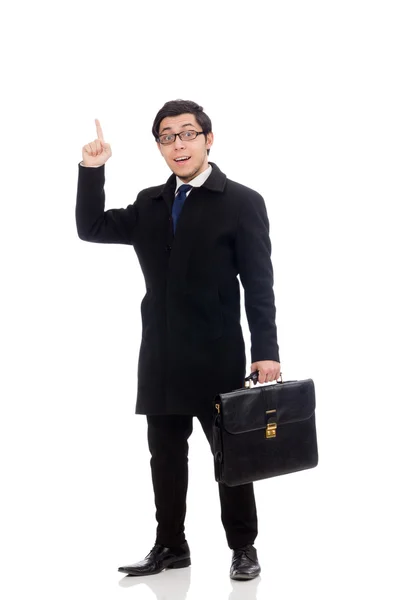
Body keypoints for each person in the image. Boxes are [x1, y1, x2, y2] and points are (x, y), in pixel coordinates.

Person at [75, 100, 281, 581]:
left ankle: (243, 547)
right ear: (160, 148)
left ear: (209, 139)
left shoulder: (242, 201)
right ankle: (170, 545)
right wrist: (92, 169)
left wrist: (266, 351)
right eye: (168, 137)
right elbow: (91, 228)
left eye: (188, 134)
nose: (179, 144)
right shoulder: (150, 203)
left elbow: (259, 284)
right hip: (161, 357)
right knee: (164, 456)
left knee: (232, 461)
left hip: (217, 356)